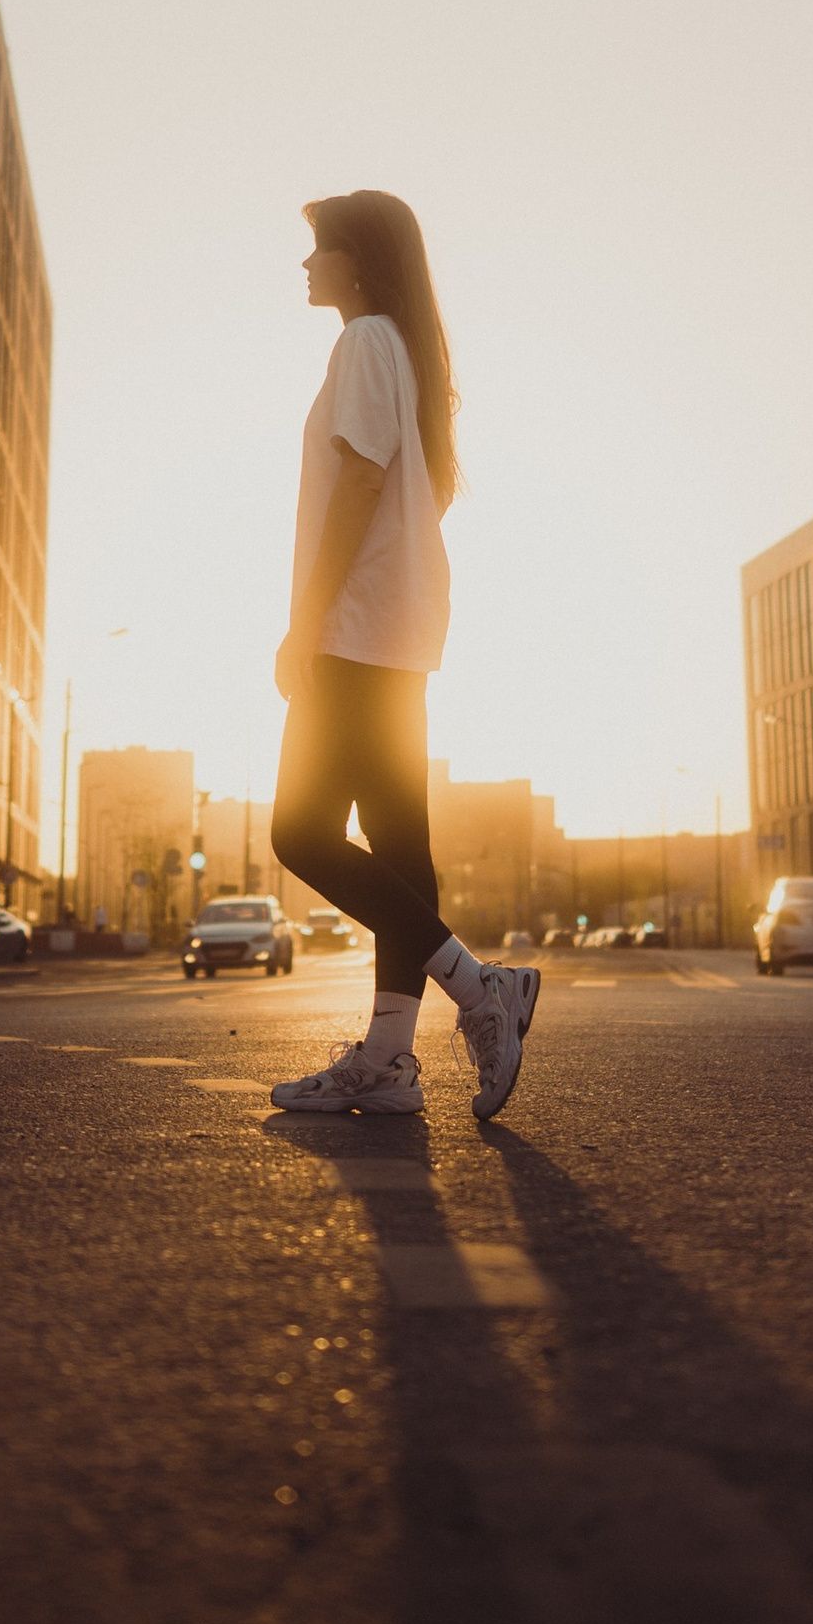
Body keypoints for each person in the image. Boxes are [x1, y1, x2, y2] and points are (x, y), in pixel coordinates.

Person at [267, 191, 539, 1121]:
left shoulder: (364, 342)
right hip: (398, 633)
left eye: (321, 248)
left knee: (298, 833)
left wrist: (305, 621)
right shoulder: (401, 353)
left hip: (354, 631)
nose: (307, 264)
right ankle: (388, 1059)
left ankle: (480, 988)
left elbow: (363, 480)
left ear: (359, 260)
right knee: (398, 850)